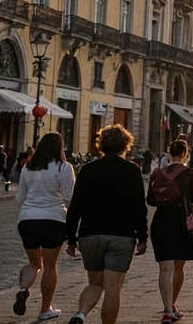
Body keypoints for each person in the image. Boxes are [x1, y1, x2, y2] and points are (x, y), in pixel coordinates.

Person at [65, 124, 149, 324]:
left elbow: (75, 206)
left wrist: (71, 238)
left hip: (90, 234)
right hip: (121, 235)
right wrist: (143, 236)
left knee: (95, 283)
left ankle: (81, 314)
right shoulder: (132, 170)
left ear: (101, 145)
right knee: (112, 288)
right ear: (125, 146)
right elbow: (139, 207)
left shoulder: (88, 170)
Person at [14, 133, 76, 320]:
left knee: (34, 263)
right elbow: (69, 197)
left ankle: (24, 289)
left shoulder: (27, 168)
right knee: (50, 266)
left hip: (27, 220)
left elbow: (20, 198)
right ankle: (45, 309)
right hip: (53, 220)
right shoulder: (63, 167)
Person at [148, 139, 193, 324]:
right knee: (179, 266)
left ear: (169, 153)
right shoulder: (190, 173)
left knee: (164, 267)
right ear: (186, 153)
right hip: (182, 221)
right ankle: (172, 304)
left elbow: (150, 200)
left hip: (161, 221)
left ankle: (167, 309)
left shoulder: (157, 173)